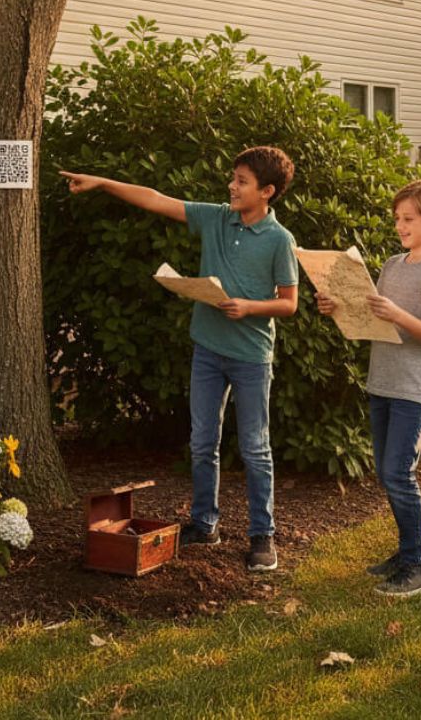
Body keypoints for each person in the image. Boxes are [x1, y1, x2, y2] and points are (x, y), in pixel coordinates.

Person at [60, 146, 298, 572]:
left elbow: (289, 304)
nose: (231, 185)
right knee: (202, 442)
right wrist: (102, 183)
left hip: (250, 358)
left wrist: (248, 307)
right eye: (233, 177)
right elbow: (155, 198)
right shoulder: (216, 217)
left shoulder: (280, 240)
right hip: (207, 350)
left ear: (267, 192)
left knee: (255, 448)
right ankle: (206, 524)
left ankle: (262, 535)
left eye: (241, 181)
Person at [316, 178, 421, 597]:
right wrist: (337, 307)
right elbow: (372, 317)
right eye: (397, 218)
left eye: (409, 219)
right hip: (383, 379)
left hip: (415, 386)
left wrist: (396, 314)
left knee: (399, 472)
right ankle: (408, 550)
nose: (400, 226)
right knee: (387, 471)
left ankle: (419, 564)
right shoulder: (393, 266)